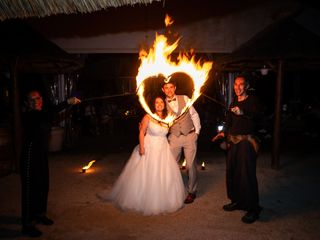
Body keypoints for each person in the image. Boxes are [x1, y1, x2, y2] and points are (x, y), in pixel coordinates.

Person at [104, 96, 185, 215]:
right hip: (149, 147)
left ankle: (164, 198)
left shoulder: (168, 119)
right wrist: (142, 147)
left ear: (164, 104)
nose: (159, 104)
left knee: (164, 174)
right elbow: (142, 132)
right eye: (156, 102)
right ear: (154, 105)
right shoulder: (148, 117)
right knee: (148, 173)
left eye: (161, 102)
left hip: (163, 148)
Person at [20, 89, 81, 237]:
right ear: (29, 103)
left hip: (41, 155)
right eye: (33, 99)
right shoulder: (30, 115)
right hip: (30, 156)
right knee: (30, 189)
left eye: (39, 97)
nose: (38, 100)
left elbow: (49, 114)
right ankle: (27, 224)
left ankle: (40, 214)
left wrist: (69, 104)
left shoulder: (42, 113)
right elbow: (50, 113)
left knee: (43, 184)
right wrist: (67, 102)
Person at [212, 75, 262, 224]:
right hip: (233, 142)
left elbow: (259, 119)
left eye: (241, 84)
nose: (238, 87)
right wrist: (223, 132)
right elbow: (229, 121)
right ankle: (237, 201)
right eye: (235, 84)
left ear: (246, 86)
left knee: (247, 174)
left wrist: (243, 113)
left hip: (246, 143)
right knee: (232, 173)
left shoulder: (253, 101)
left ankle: (253, 209)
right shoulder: (233, 101)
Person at [162, 80, 201, 204]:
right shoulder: (161, 103)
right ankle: (172, 190)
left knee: (190, 166)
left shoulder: (184, 98)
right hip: (174, 137)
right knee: (171, 165)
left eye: (171, 87)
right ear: (163, 90)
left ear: (175, 87)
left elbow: (194, 114)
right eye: (166, 88)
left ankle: (192, 191)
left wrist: (197, 132)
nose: (169, 90)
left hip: (189, 135)